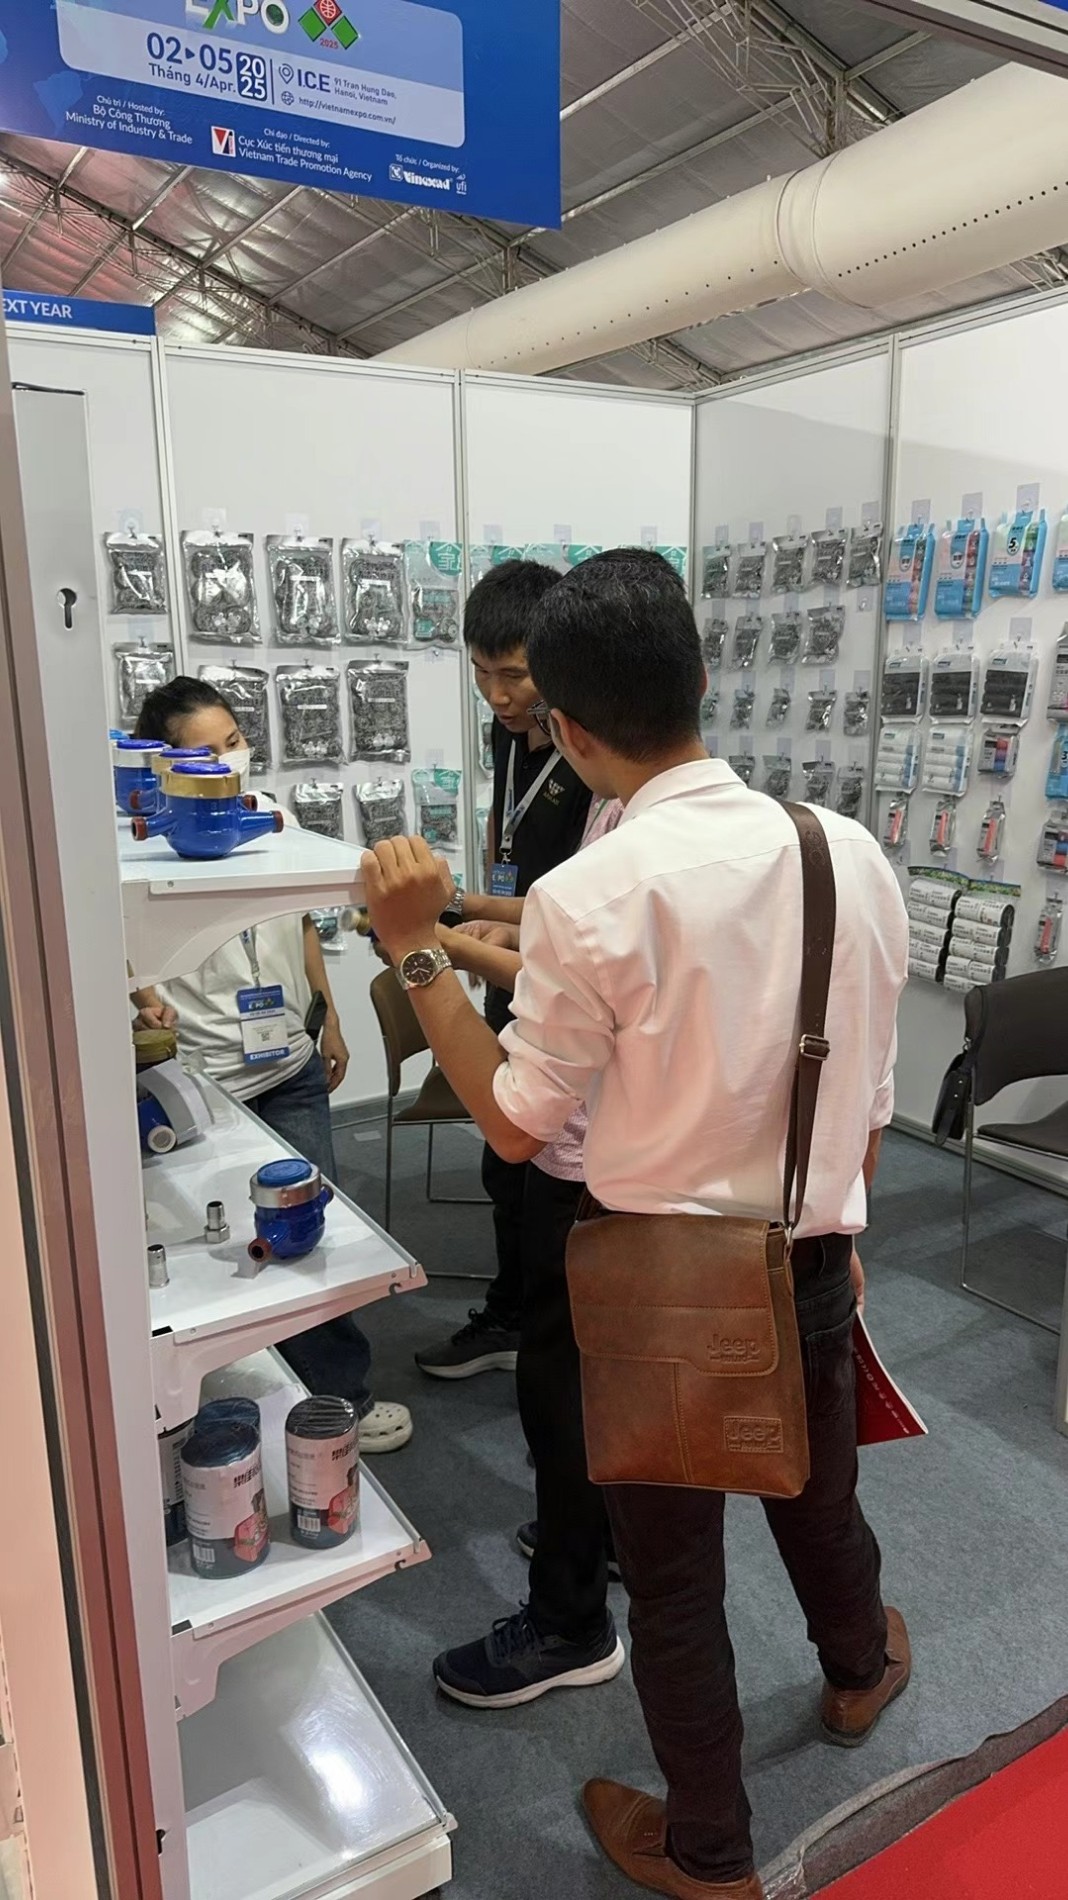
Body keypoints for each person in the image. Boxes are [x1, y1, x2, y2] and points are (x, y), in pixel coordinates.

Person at [360, 554, 911, 1900]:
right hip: (809, 1255)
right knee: (818, 1497)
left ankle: (713, 1848)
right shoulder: (846, 850)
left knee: (671, 1582)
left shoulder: (590, 895)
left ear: (563, 726)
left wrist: (414, 945)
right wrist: (838, 1229)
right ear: (704, 677)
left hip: (657, 1279)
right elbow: (873, 1093)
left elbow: (514, 1122)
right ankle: (857, 1671)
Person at [131, 678, 412, 1456]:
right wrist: (145, 998)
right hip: (205, 1077)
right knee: (217, 1251)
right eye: (206, 751)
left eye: (232, 742)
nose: (228, 760)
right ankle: (236, 1400)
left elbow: (303, 926)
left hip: (289, 1064)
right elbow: (123, 948)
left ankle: (341, 1399)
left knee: (312, 1233)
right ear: (163, 765)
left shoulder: (270, 818)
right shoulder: (151, 844)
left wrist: (329, 1016)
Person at [430, 790, 625, 1706]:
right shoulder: (803, 846)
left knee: (565, 1393)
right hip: (619, 1161)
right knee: (600, 1388)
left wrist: (421, 947)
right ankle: (597, 1544)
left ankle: (570, 1621)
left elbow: (514, 1124)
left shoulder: (632, 842)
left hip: (585, 1162)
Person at [414, 560, 592, 1380]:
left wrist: (444, 937)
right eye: (482, 673)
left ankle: (544, 1331)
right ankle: (517, 1315)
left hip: (565, 976)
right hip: (515, 959)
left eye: (514, 675)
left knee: (545, 1162)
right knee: (506, 1154)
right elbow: (510, 838)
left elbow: (583, 908)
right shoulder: (510, 732)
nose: (497, 695)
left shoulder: (589, 751)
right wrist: (480, 906)